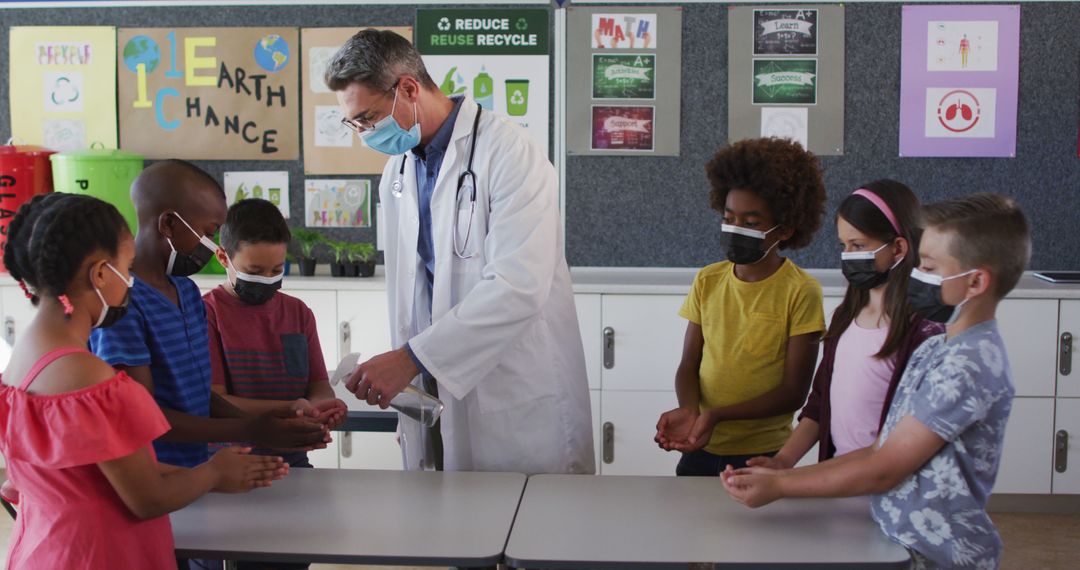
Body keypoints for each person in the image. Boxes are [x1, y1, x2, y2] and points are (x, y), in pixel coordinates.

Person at [324, 30, 593, 474]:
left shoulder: (509, 152)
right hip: (432, 387)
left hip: (514, 389)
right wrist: (407, 363)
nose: (365, 134)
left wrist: (410, 357)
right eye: (354, 124)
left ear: (408, 88)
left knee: (529, 529)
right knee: (447, 527)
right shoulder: (398, 169)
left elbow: (518, 285)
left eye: (368, 118)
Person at [723, 193, 1030, 570]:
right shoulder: (939, 348)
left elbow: (886, 466)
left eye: (930, 267)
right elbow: (877, 451)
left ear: (976, 281)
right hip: (897, 539)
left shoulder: (968, 364)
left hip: (937, 556)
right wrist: (785, 470)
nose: (918, 274)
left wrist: (781, 487)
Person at [0, 193, 286, 569]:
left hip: (44, 548)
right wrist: (214, 472)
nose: (131, 282)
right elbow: (147, 498)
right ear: (101, 273)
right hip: (100, 555)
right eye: (128, 266)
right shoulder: (90, 378)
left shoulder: (21, 362)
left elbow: (89, 473)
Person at [653, 137, 827, 476]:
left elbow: (794, 393)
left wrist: (718, 415)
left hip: (762, 454)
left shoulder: (802, 291)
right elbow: (689, 364)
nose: (736, 229)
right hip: (701, 446)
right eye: (729, 217)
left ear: (786, 229)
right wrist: (690, 411)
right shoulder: (708, 280)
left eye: (751, 222)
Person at [747, 181, 943, 469]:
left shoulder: (924, 332)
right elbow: (820, 400)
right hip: (838, 481)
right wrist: (784, 461)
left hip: (885, 488)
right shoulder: (846, 316)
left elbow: (910, 439)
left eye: (859, 245)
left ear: (898, 248)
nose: (848, 255)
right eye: (844, 245)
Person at [206, 198, 349, 475]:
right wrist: (292, 408)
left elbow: (318, 386)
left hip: (293, 462)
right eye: (254, 272)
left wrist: (322, 410)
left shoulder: (298, 313)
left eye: (276, 270)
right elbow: (216, 402)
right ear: (223, 257)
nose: (267, 279)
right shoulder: (207, 314)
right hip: (231, 465)